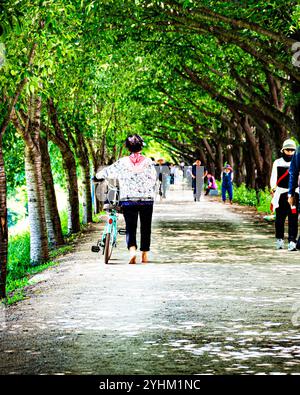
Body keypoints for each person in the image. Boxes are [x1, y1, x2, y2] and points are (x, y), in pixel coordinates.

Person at [95, 134, 157, 264]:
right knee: (146, 226)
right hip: (147, 199)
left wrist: (96, 176)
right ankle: (144, 254)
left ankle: (132, 251)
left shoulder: (122, 162)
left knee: (130, 226)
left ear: (128, 148)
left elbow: (107, 172)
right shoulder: (148, 162)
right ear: (141, 147)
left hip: (128, 199)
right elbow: (154, 178)